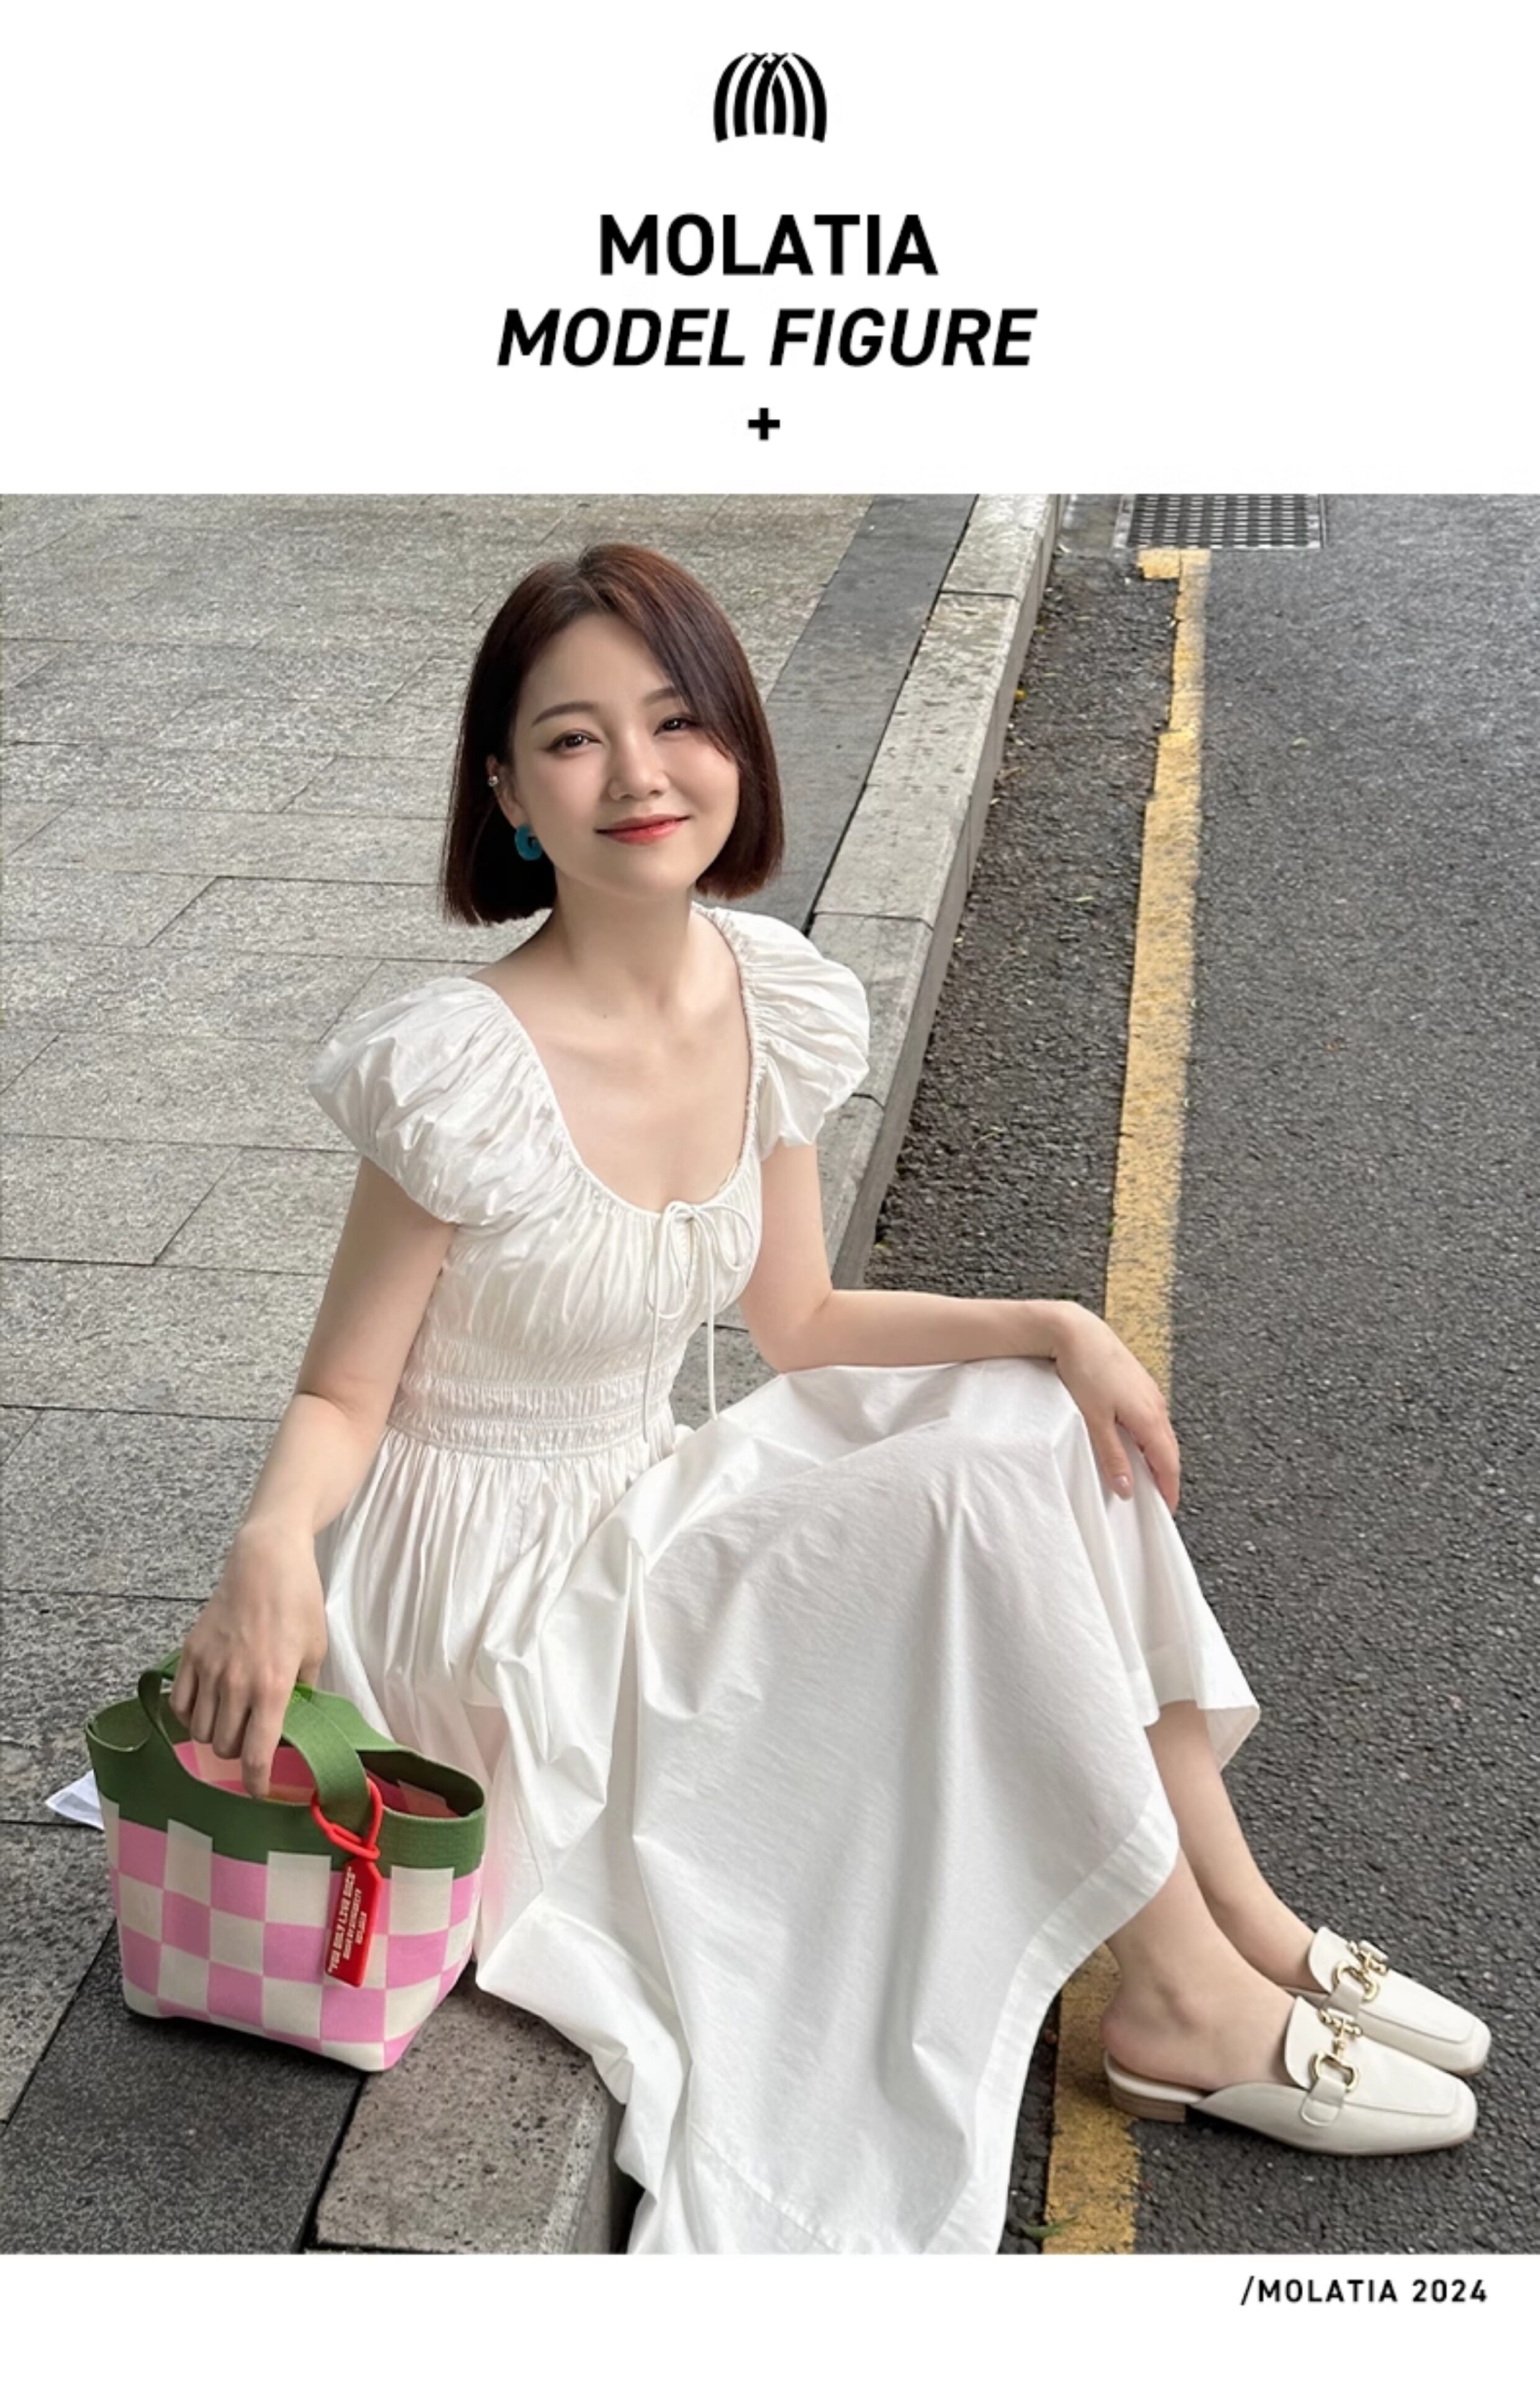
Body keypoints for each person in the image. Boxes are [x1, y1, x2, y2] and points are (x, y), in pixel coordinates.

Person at [162, 542, 1488, 2253]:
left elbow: (800, 1320)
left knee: (1032, 1428)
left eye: (675, 721)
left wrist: (1054, 1325)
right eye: (571, 739)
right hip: (484, 1599)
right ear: (505, 792)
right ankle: (1178, 1996)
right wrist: (273, 1544)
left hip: (636, 1510)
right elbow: (344, 1394)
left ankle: (1243, 1921)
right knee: (959, 1506)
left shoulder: (762, 995)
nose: (637, 775)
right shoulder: (459, 1065)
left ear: (738, 742)